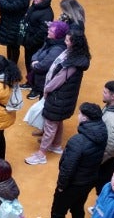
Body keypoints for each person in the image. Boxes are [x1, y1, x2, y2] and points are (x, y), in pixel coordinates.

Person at [24, 103, 106, 218]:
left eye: (80, 114)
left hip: (72, 184)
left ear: (85, 118)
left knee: (58, 213)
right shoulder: (102, 133)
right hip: (88, 181)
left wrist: (61, 185)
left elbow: (68, 167)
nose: (78, 116)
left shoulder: (78, 141)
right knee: (77, 210)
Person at [28, 26, 90, 165]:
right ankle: (55, 145)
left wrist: (47, 89)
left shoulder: (72, 63)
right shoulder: (76, 57)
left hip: (58, 97)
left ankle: (41, 154)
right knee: (57, 120)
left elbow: (58, 79)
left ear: (75, 43)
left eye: (68, 40)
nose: (65, 42)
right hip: (64, 97)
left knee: (50, 123)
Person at [21, 0, 54, 93]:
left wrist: (31, 41)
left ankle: (36, 88)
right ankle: (30, 82)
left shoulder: (47, 13)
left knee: (36, 65)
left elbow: (42, 32)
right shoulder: (35, 6)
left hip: (36, 44)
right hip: (29, 41)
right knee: (28, 63)